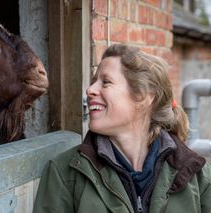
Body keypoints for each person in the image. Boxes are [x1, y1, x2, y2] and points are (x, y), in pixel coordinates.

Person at [33, 44, 211, 213]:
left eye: (106, 82)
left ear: (144, 96)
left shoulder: (198, 177)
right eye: (94, 81)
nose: (90, 90)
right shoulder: (63, 173)